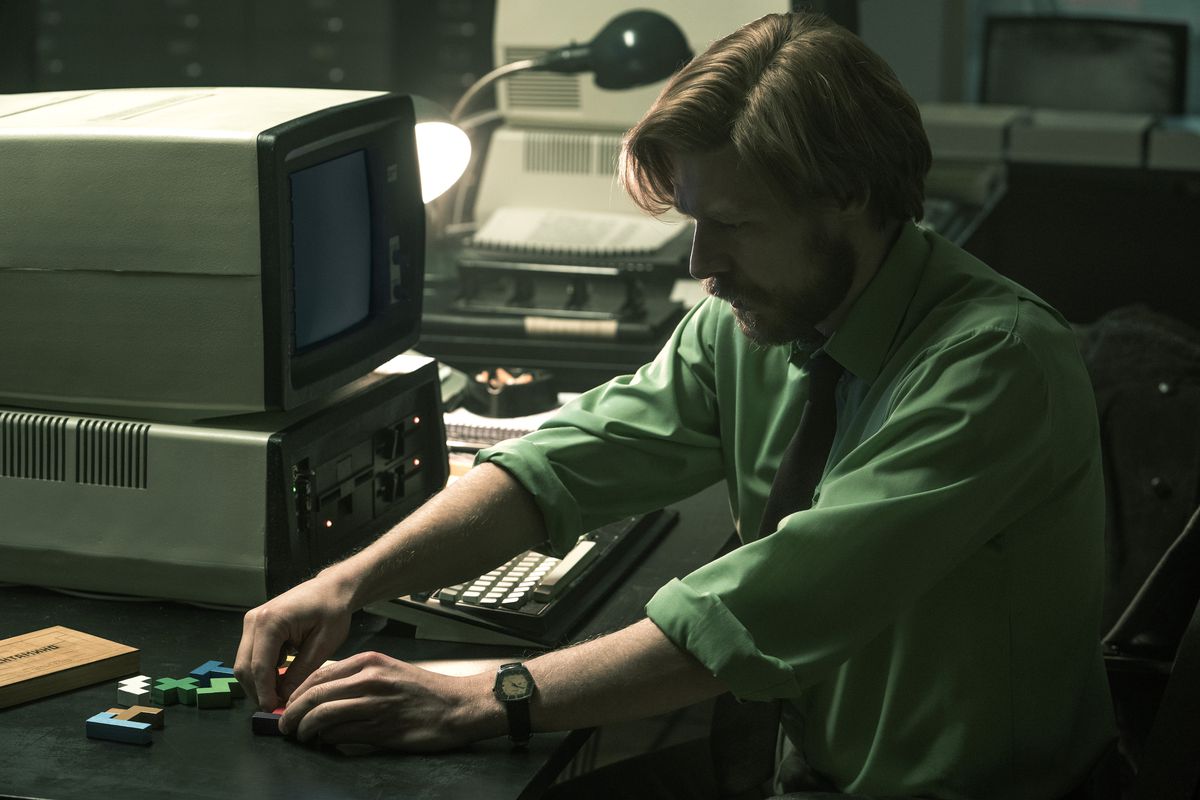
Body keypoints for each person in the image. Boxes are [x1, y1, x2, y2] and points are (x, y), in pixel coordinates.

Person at [234, 11, 1116, 798]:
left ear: (848, 196)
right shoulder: (757, 323)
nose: (701, 263)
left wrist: (482, 698)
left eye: (732, 223)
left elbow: (757, 611)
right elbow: (562, 462)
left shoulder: (996, 364)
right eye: (693, 221)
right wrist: (346, 582)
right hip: (795, 767)